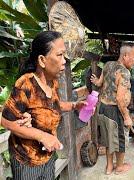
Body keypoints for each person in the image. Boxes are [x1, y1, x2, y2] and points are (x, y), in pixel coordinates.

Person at [0, 31, 86, 180]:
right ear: (42, 60)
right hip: (27, 161)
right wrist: (42, 136)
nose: (64, 61)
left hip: (48, 156)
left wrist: (73, 105)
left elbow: (53, 106)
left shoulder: (52, 82)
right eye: (59, 55)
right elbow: (6, 120)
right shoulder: (26, 84)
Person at [90, 43, 134, 175]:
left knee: (107, 140)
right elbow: (120, 99)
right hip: (115, 111)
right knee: (120, 140)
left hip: (103, 108)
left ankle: (109, 167)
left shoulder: (107, 65)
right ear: (125, 56)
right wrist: (127, 117)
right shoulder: (124, 72)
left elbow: (100, 83)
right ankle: (119, 167)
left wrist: (95, 81)